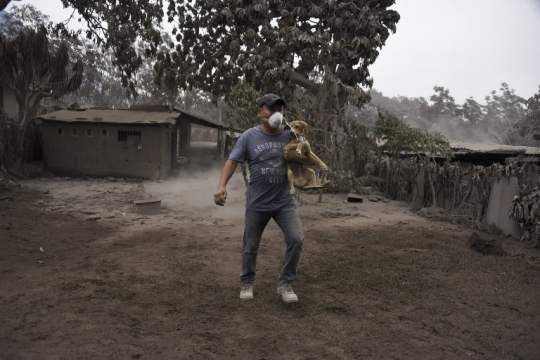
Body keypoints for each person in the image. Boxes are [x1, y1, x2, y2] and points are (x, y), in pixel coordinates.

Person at [214, 93, 317, 303]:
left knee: (296, 239)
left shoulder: (291, 136)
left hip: (283, 202)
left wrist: (295, 156)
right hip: (257, 202)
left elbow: (311, 160)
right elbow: (232, 161)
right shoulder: (248, 137)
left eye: (280, 109)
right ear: (260, 112)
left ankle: (285, 284)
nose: (276, 113)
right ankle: (247, 282)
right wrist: (221, 185)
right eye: (271, 109)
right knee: (250, 246)